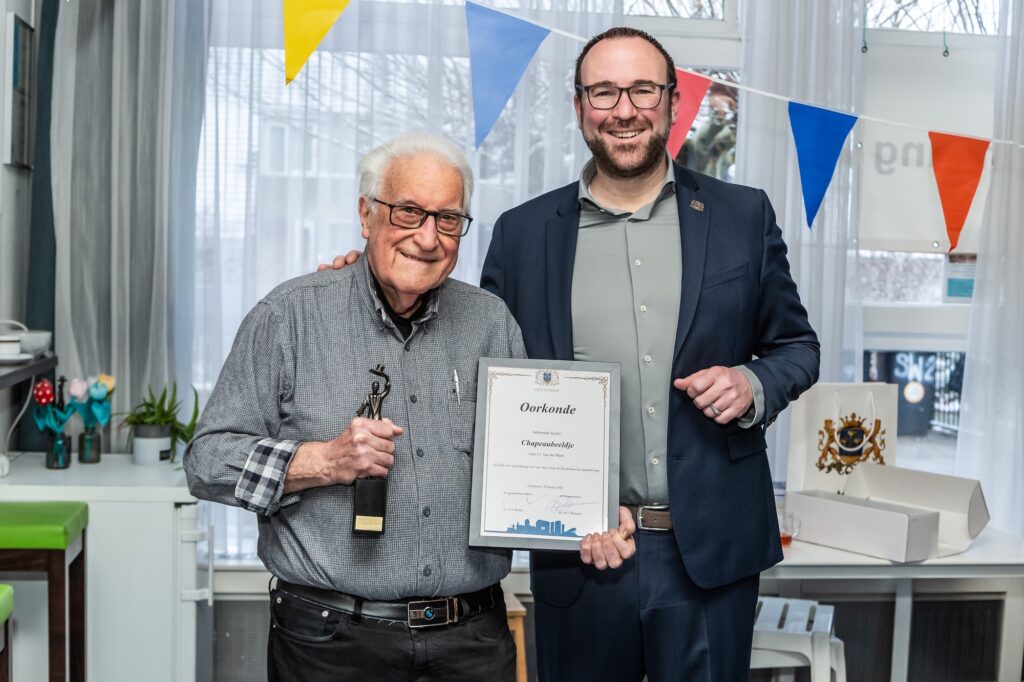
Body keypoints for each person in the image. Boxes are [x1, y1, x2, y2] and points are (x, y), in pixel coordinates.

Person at [323, 27, 818, 682]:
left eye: (642, 89)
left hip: (711, 554)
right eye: (604, 91)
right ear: (580, 106)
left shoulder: (741, 216)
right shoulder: (525, 234)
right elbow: (465, 355)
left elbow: (796, 347)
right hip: (575, 555)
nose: (624, 109)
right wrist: (377, 282)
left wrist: (754, 384)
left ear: (671, 101)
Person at [185, 132, 531, 682]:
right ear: (366, 215)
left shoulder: (492, 323)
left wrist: (583, 512)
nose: (428, 237)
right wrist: (323, 462)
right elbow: (207, 463)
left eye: (447, 219)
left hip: (473, 640)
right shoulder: (289, 316)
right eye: (409, 212)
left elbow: (530, 463)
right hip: (329, 642)